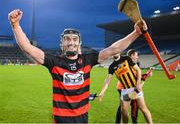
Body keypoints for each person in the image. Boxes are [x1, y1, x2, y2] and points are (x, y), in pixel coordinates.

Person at [8, 9, 148, 123]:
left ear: (79, 43)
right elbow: (27, 47)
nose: (71, 42)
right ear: (62, 43)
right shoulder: (54, 61)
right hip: (61, 118)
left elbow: (114, 49)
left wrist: (136, 33)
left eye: (75, 39)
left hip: (82, 117)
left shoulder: (88, 59)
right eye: (67, 39)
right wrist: (15, 25)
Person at [98, 51, 153, 123]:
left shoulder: (126, 58)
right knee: (123, 112)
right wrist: (102, 92)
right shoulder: (111, 67)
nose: (115, 53)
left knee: (143, 109)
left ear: (119, 52)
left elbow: (138, 70)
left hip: (135, 88)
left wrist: (138, 83)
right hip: (125, 91)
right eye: (113, 52)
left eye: (116, 51)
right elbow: (108, 80)